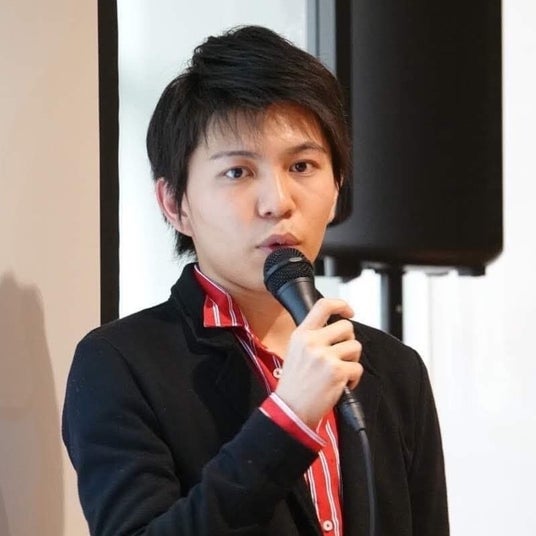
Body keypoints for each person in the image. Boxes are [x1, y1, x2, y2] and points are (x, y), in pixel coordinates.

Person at [62, 25, 449, 536]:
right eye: (238, 172)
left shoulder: (394, 370)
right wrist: (289, 418)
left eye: (303, 165)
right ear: (175, 204)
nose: (278, 202)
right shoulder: (119, 364)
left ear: (337, 187)